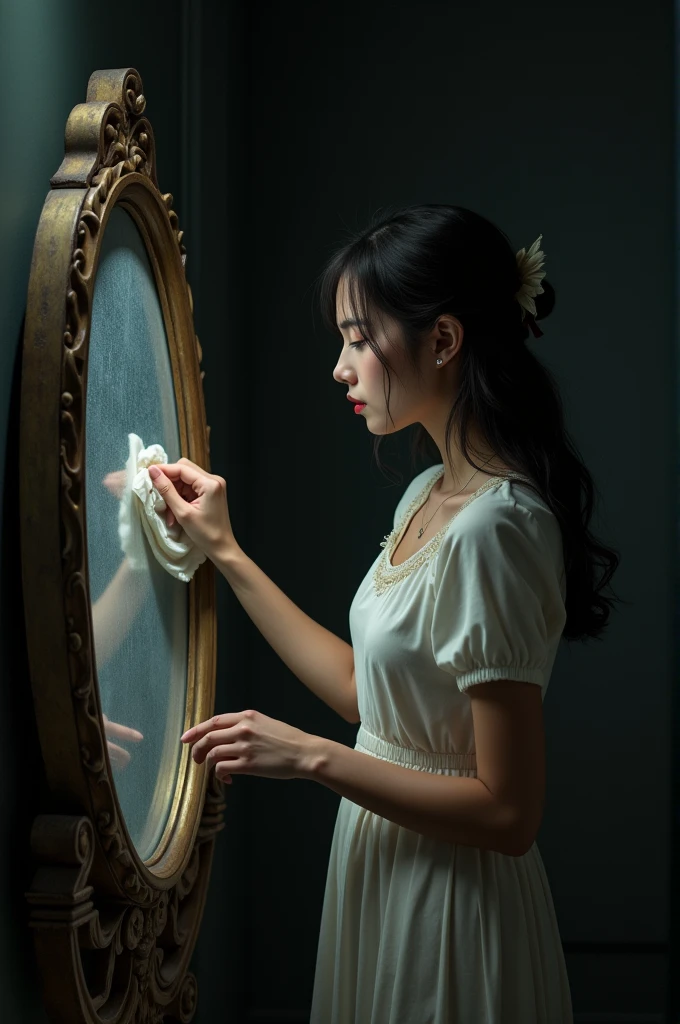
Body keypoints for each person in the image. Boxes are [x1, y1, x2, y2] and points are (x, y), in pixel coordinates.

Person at [148, 205, 622, 1023]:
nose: (341, 367)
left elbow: (509, 814)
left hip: (454, 909)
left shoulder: (498, 527)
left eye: (359, 339)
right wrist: (224, 551)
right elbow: (374, 697)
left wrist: (312, 760)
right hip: (381, 871)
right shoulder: (426, 495)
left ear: (442, 341)